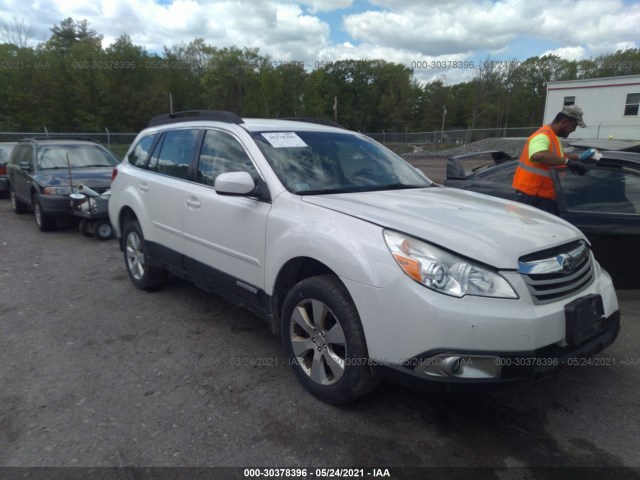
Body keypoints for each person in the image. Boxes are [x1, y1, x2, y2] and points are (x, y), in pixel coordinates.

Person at [512, 105, 597, 214]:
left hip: (541, 197)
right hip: (531, 198)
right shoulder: (542, 135)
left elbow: (557, 155)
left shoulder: (553, 136)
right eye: (574, 125)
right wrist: (567, 162)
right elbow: (539, 155)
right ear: (565, 122)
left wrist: (579, 157)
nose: (574, 129)